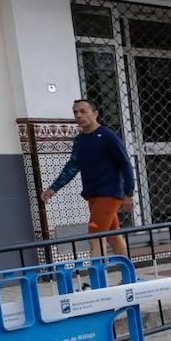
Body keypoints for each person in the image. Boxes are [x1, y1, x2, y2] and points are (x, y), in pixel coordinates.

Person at [41, 98, 134, 258]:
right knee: (113, 236)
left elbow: (125, 163)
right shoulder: (79, 140)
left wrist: (129, 193)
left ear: (95, 114)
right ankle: (129, 278)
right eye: (75, 112)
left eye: (83, 111)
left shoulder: (107, 136)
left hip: (109, 194)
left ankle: (97, 282)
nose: (78, 115)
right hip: (92, 194)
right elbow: (72, 166)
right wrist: (53, 189)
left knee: (95, 237)